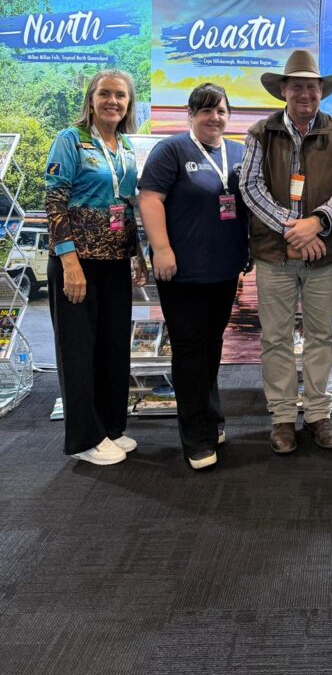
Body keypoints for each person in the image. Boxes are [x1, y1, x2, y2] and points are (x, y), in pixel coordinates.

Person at [240, 50, 332, 454]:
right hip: (274, 255)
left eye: (312, 86)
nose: (305, 93)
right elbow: (250, 188)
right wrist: (295, 229)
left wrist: (318, 222)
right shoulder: (259, 133)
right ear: (284, 91)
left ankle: (319, 414)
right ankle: (282, 417)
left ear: (321, 91)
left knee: (321, 336)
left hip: (323, 255)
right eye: (298, 86)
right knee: (274, 338)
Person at [138, 83, 249, 470]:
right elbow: (149, 198)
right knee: (188, 350)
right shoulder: (171, 150)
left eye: (221, 111)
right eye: (206, 111)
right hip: (182, 271)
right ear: (191, 114)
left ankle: (212, 416)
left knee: (212, 346)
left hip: (223, 269)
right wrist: (162, 249)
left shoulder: (238, 152)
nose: (214, 118)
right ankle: (195, 438)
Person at [45, 70, 147, 465]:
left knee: (112, 348)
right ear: (91, 98)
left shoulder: (124, 146)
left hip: (115, 262)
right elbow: (55, 202)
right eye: (105, 94)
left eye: (120, 96)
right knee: (78, 350)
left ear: (128, 103)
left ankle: (109, 428)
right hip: (79, 262)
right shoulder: (70, 140)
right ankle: (84, 439)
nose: (113, 101)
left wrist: (136, 254)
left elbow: (126, 206)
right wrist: (68, 261)